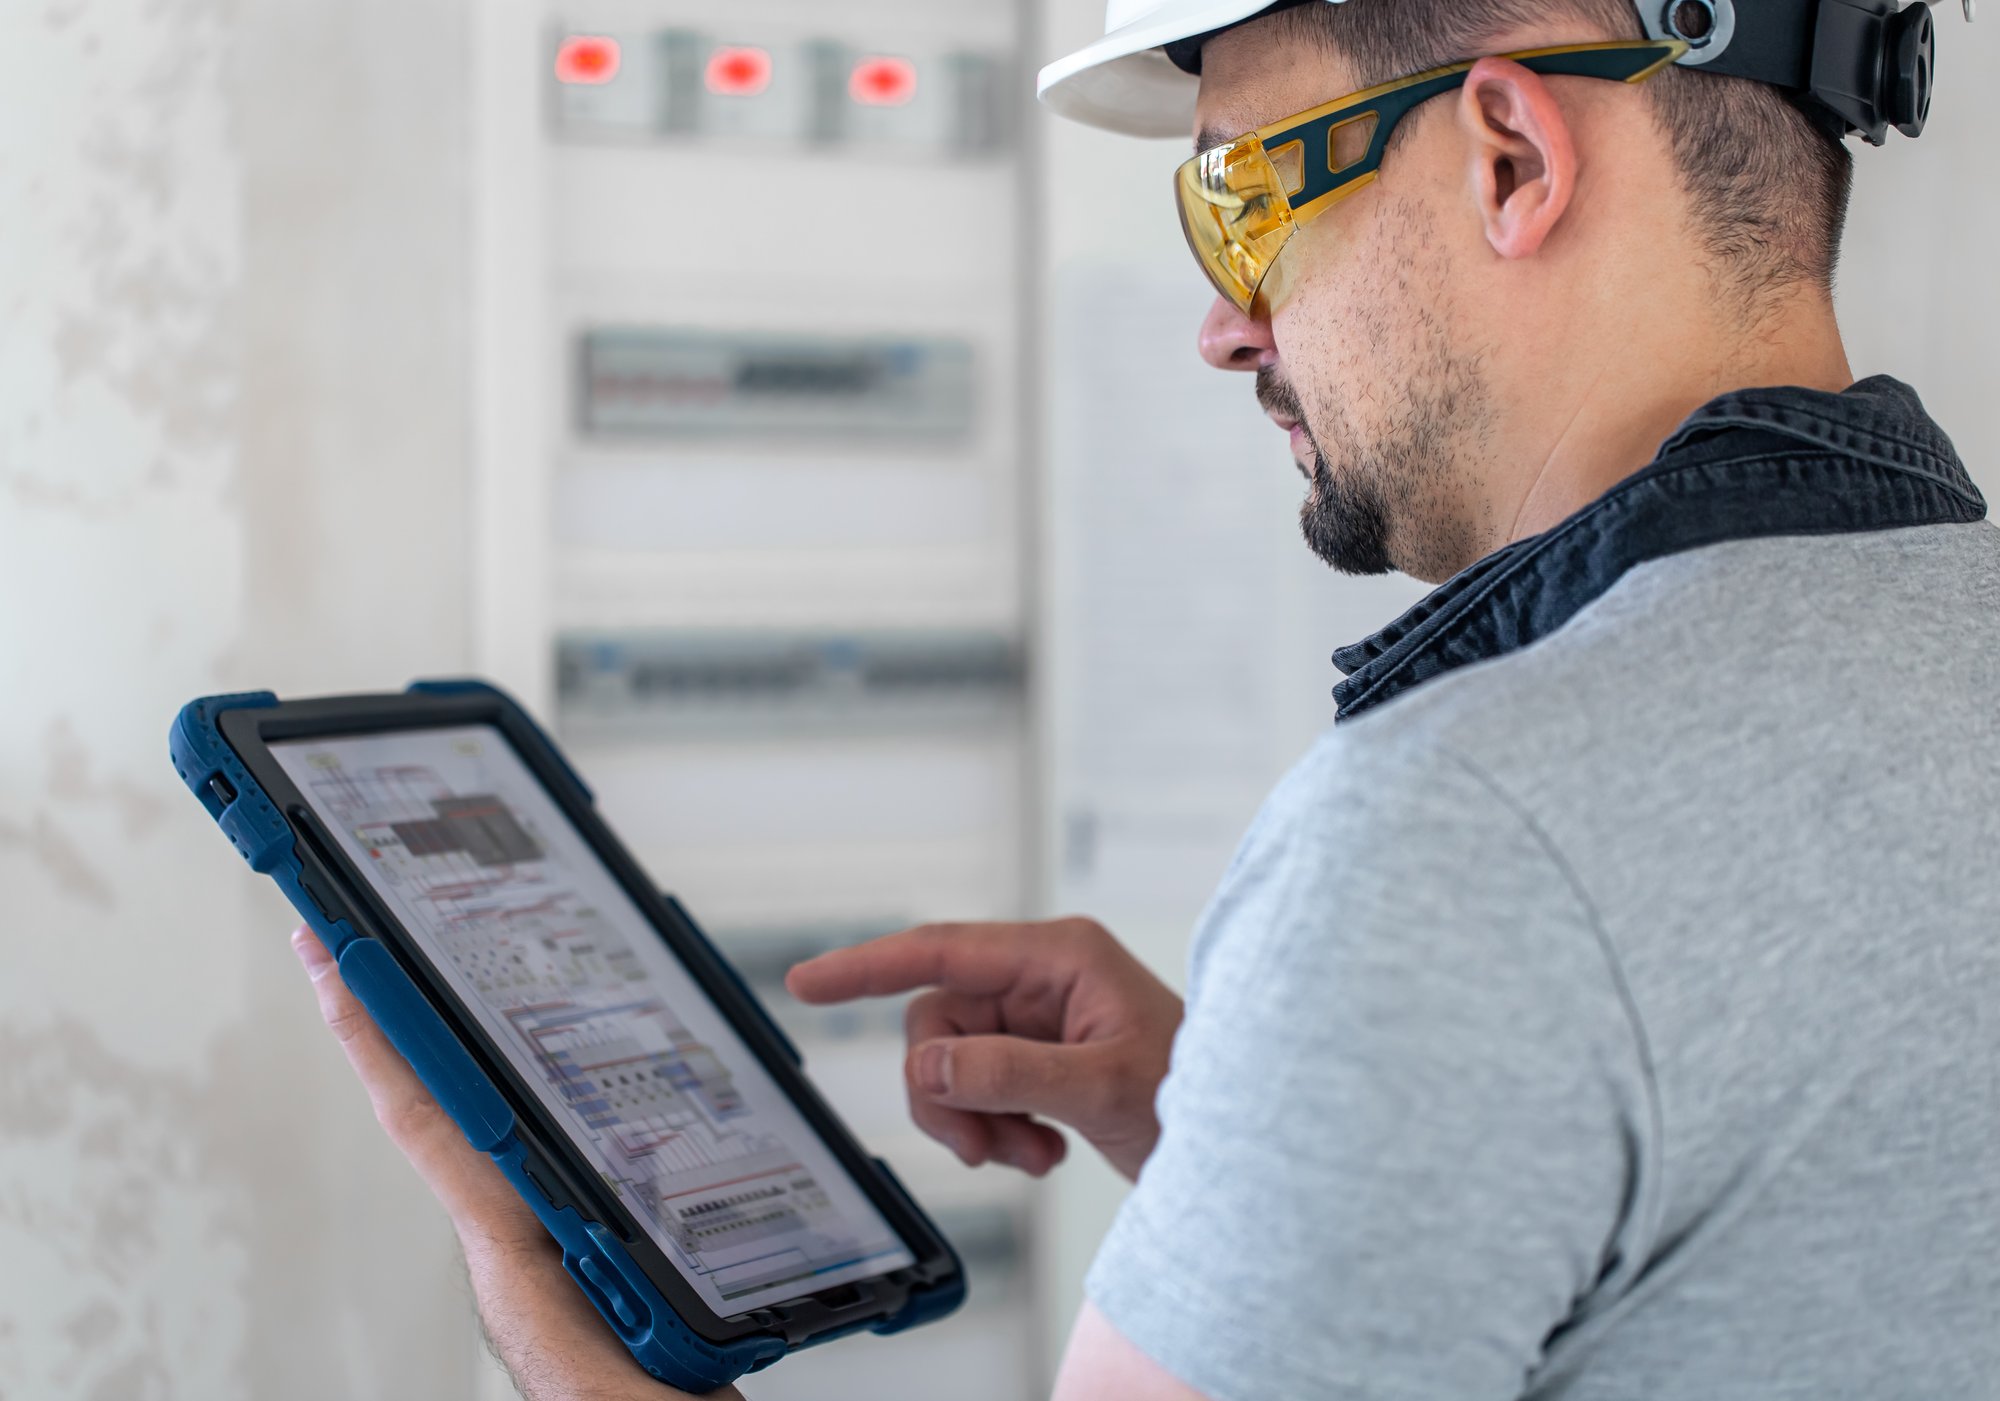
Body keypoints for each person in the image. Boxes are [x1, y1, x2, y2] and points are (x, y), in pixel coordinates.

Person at [293, 0, 2000, 1396]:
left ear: (1509, 155)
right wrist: (1260, 1113)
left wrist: (538, 1267)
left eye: (1240, 198)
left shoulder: (1470, 835)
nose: (1220, 321)